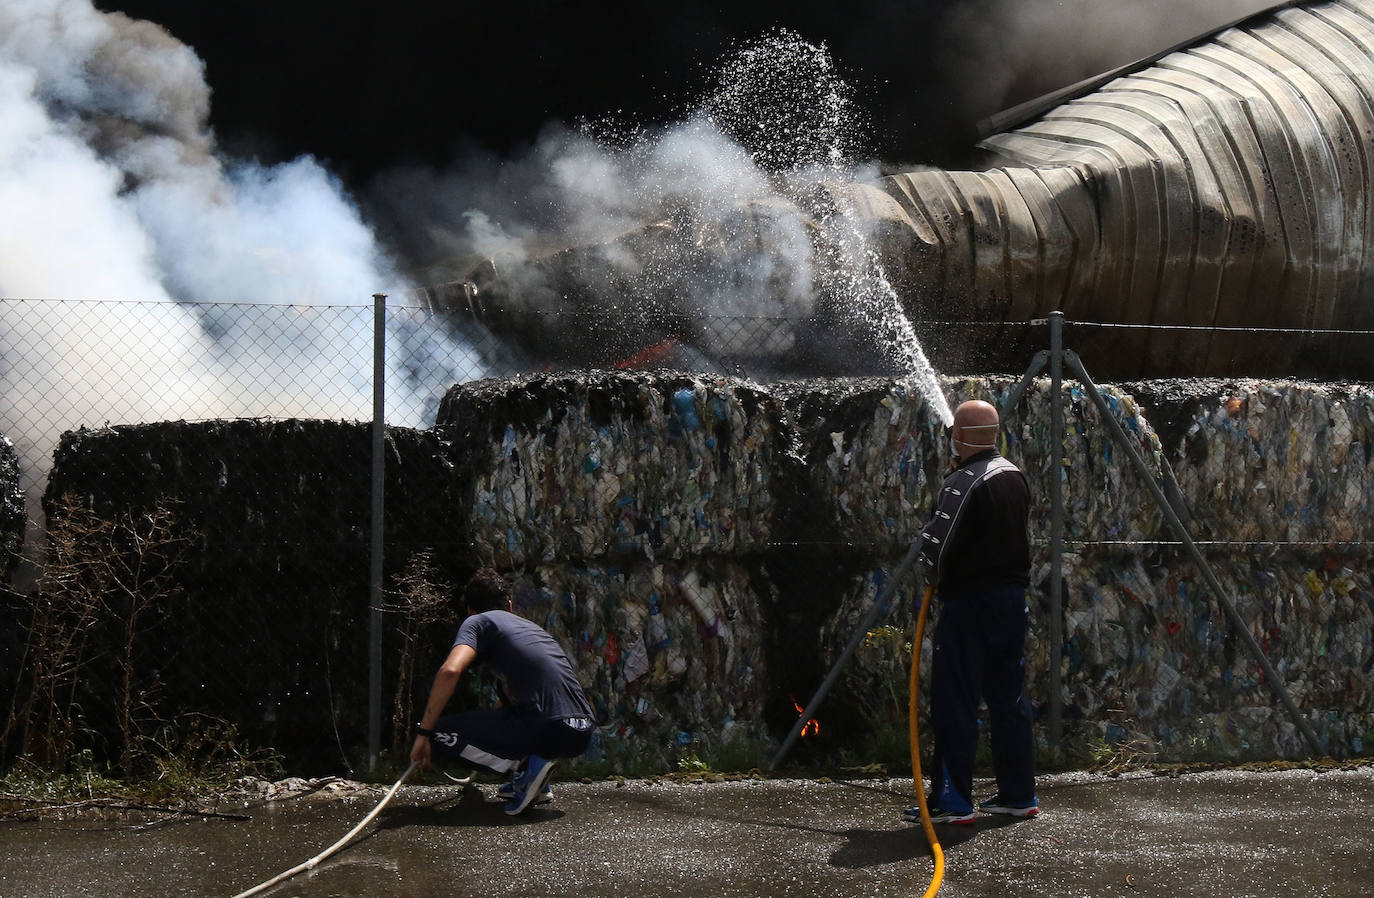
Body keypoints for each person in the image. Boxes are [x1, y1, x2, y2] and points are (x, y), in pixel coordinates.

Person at [904, 399, 1038, 825]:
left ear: (959, 436)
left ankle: (953, 799)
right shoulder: (1015, 476)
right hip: (1011, 603)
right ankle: (1019, 795)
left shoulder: (963, 480)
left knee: (956, 699)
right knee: (1009, 698)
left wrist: (929, 573)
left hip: (969, 605)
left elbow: (938, 546)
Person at [410, 567, 594, 815]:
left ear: (470, 610)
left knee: (438, 732)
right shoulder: (532, 629)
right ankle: (535, 781)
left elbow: (450, 671)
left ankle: (525, 768)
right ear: (509, 605)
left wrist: (424, 732)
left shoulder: (477, 622)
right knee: (505, 707)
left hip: (547, 726)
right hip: (581, 730)